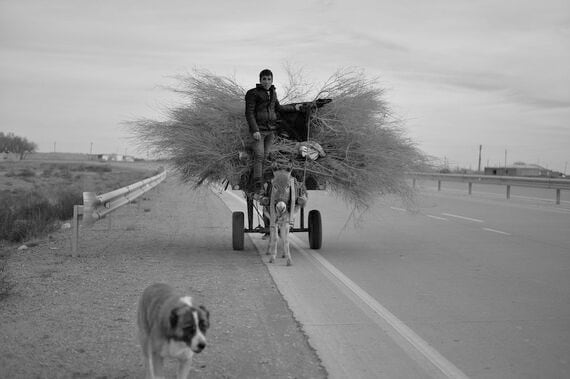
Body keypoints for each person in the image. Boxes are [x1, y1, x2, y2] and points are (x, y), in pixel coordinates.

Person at [245, 69, 301, 198]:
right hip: (259, 130)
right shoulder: (253, 93)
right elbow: (249, 113)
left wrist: (295, 108)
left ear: (272, 80)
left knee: (266, 156)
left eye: (269, 79)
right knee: (259, 155)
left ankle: (264, 181)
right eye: (264, 79)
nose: (266, 81)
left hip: (270, 130)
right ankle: (257, 185)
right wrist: (255, 130)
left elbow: (279, 108)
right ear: (260, 80)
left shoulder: (273, 93)